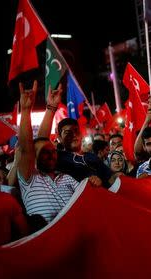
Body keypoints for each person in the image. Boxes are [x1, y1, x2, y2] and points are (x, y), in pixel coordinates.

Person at [16, 81, 101, 224]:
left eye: (52, 151)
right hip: (47, 239)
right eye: (44, 152)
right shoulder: (29, 178)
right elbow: (27, 149)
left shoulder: (66, 178)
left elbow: (86, 195)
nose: (50, 154)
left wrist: (94, 182)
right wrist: (25, 110)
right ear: (34, 158)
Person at [37, 86, 117, 189]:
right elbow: (40, 143)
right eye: (67, 132)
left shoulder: (92, 157)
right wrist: (51, 108)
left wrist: (117, 178)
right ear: (59, 138)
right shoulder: (57, 157)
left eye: (76, 131)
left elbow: (111, 180)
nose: (73, 135)